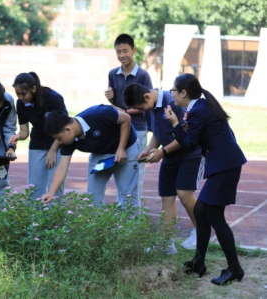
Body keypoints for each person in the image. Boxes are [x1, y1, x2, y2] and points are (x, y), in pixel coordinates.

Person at [165, 73, 246, 286]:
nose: (172, 93)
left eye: (174, 90)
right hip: (224, 164)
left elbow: (189, 145)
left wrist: (175, 124)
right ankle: (198, 263)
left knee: (215, 217)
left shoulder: (198, 110)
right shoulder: (200, 107)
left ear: (183, 93)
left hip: (224, 166)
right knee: (201, 212)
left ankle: (235, 269)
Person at [123, 83, 205, 254]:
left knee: (184, 194)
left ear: (146, 97)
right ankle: (165, 243)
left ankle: (200, 231)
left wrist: (162, 151)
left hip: (190, 154)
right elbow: (157, 134)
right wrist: (148, 149)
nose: (141, 110)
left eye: (141, 107)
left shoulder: (173, 101)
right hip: (169, 155)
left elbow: (188, 135)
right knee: (166, 198)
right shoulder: (148, 108)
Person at [42, 106, 139, 207]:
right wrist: (51, 192)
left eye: (59, 138)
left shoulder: (99, 114)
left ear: (68, 129)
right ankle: (97, 222)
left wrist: (121, 148)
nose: (59, 142)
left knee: (128, 196)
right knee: (93, 197)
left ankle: (131, 221)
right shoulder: (68, 142)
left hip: (126, 148)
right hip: (100, 154)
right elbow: (62, 167)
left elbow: (126, 118)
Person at [105, 34, 153, 202]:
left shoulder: (143, 75)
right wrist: (109, 98)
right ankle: (123, 209)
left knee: (136, 172)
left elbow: (147, 105)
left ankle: (135, 214)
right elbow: (114, 103)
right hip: (118, 129)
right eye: (118, 52)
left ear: (133, 51)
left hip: (138, 129)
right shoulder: (113, 74)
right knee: (120, 168)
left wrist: (123, 111)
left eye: (125, 51)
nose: (122, 55)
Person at [9, 72, 67, 199]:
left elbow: (64, 127)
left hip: (58, 143)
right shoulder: (21, 103)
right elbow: (24, 131)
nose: (20, 97)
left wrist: (53, 150)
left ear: (34, 89)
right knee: (34, 187)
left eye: (23, 94)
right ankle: (34, 217)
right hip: (37, 144)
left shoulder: (53, 98)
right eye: (17, 94)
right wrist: (18, 136)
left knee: (55, 187)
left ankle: (54, 216)